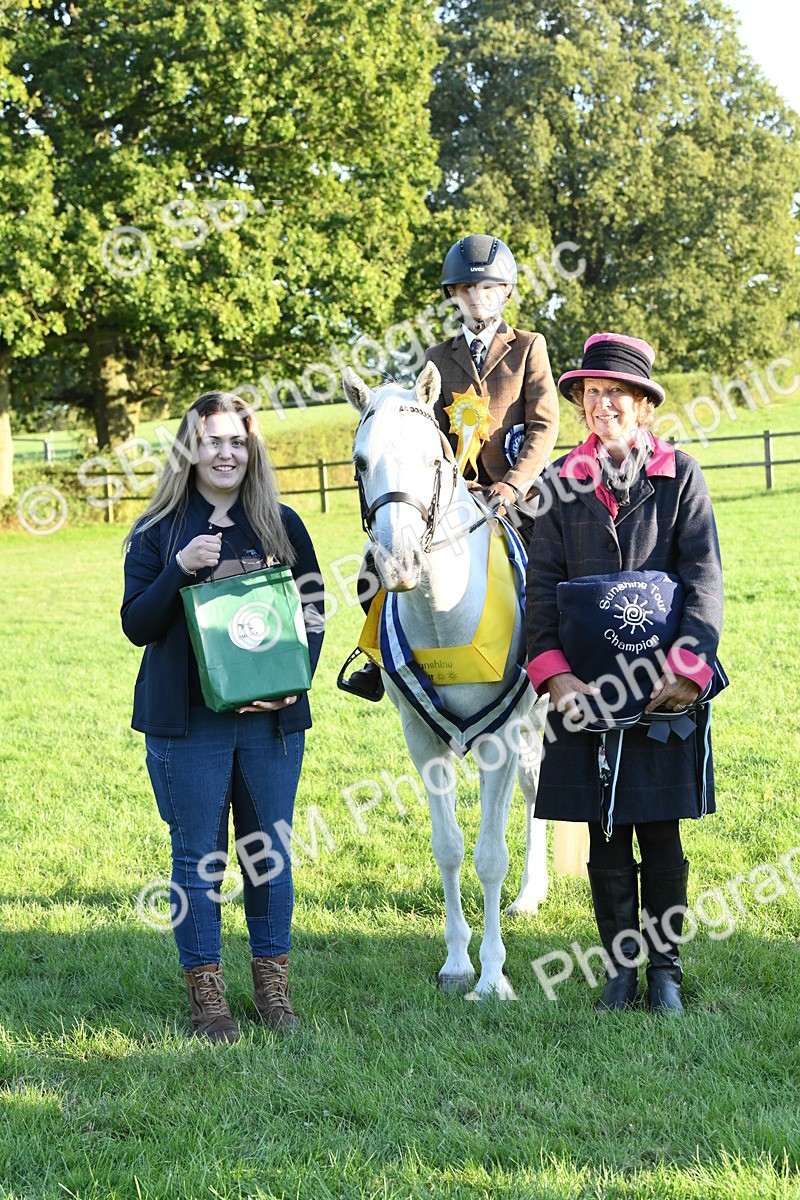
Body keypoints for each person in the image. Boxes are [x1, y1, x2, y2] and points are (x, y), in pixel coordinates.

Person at [525, 333, 724, 1015]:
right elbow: (539, 591)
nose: (601, 403)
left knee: (660, 826)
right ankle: (620, 969)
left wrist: (690, 667)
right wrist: (553, 676)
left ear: (643, 406)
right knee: (603, 829)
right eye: (591, 392)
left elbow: (704, 579)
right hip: (585, 688)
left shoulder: (682, 475)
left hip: (664, 688)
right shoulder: (558, 484)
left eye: (616, 392)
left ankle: (664, 971)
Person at [122, 391, 324, 1043]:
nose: (227, 452)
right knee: (198, 859)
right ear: (190, 448)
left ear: (252, 447)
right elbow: (136, 624)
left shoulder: (282, 525)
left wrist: (295, 680)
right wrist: (179, 571)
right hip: (187, 723)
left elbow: (313, 608)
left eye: (238, 440)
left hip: (271, 724)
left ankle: (273, 991)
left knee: (270, 856)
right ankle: (207, 997)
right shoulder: (157, 531)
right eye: (213, 440)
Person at [339, 233, 560, 702]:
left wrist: (512, 485)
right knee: (372, 568)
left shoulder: (528, 347)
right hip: (454, 495)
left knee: (553, 567)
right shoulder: (437, 357)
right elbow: (428, 433)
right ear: (453, 296)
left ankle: (552, 657)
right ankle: (377, 660)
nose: (477, 297)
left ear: (506, 292)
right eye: (467, 289)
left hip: (516, 494)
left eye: (488, 288)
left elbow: (544, 426)